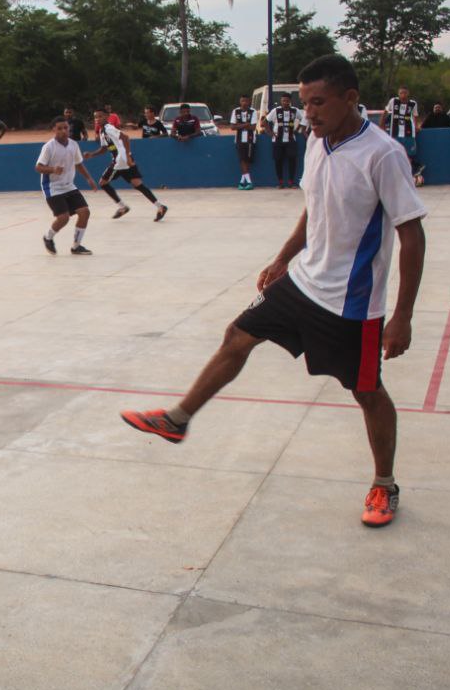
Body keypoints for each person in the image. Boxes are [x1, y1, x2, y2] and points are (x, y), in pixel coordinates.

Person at [121, 54, 427, 529]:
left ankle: (384, 485)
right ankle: (178, 418)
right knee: (238, 335)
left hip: (352, 302)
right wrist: (284, 258)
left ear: (351, 98)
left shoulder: (383, 154)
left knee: (367, 390)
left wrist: (402, 315)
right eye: (305, 104)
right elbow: (314, 207)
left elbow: (412, 234)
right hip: (304, 281)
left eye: (319, 103)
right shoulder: (316, 142)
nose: (310, 113)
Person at [85, 108, 168, 221]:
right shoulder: (102, 131)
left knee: (103, 183)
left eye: (100, 116)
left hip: (120, 160)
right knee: (137, 184)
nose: (97, 119)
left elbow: (125, 137)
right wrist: (92, 154)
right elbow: (104, 149)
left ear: (107, 117)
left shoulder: (109, 128)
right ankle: (160, 207)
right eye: (95, 117)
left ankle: (123, 207)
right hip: (123, 160)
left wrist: (128, 155)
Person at [35, 116, 97, 255]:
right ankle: (48, 237)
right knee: (64, 218)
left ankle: (76, 246)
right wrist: (52, 169)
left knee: (85, 212)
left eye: (66, 128)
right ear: (54, 130)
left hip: (69, 185)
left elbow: (78, 163)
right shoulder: (49, 147)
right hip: (52, 187)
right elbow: (38, 167)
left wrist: (89, 178)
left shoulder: (74, 144)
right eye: (60, 128)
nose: (63, 131)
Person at [263, 92, 306, 188]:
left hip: (291, 140)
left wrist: (298, 129)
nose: (285, 102)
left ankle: (291, 182)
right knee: (278, 161)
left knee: (292, 161)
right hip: (277, 140)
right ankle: (280, 183)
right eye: (283, 101)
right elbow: (264, 122)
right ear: (280, 101)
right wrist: (270, 133)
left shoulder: (295, 110)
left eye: (287, 101)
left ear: (290, 101)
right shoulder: (276, 111)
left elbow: (304, 119)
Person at [228, 95, 259, 189]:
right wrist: (245, 124)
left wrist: (239, 125)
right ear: (240, 102)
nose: (244, 103)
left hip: (250, 139)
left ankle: (242, 182)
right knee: (242, 160)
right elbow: (232, 127)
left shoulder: (253, 111)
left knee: (247, 161)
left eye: (246, 101)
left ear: (249, 102)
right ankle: (249, 182)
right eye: (242, 101)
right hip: (239, 139)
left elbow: (253, 127)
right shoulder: (235, 111)